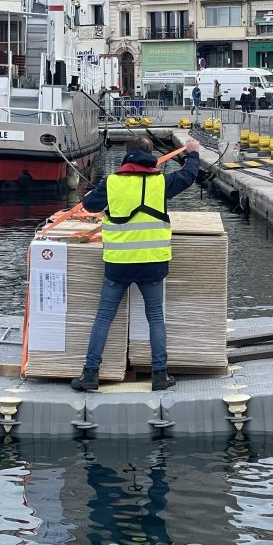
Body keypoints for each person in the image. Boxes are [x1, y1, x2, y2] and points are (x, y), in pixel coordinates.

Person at [71, 134, 201, 393]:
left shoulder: (112, 183)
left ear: (126, 155)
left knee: (104, 317)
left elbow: (88, 205)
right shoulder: (161, 183)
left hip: (118, 264)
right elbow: (188, 176)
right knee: (155, 317)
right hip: (153, 263)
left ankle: (90, 374)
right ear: (151, 155)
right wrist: (192, 152)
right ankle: (160, 375)